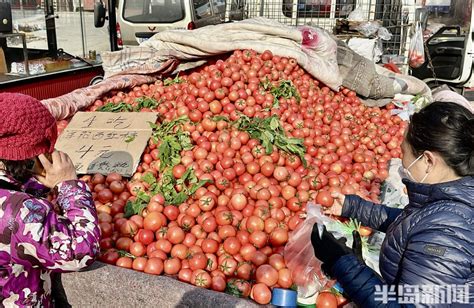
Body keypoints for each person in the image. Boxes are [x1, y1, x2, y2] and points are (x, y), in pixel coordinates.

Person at [311, 101, 473, 306]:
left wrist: (343, 263)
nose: (401, 161)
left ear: (428, 161)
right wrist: (353, 208)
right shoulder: (451, 203)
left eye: (404, 152)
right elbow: (413, 224)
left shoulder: (443, 236)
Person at [0, 93, 100, 307]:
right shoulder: (20, 210)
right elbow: (79, 251)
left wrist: (37, 186)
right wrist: (69, 186)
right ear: (28, 157)